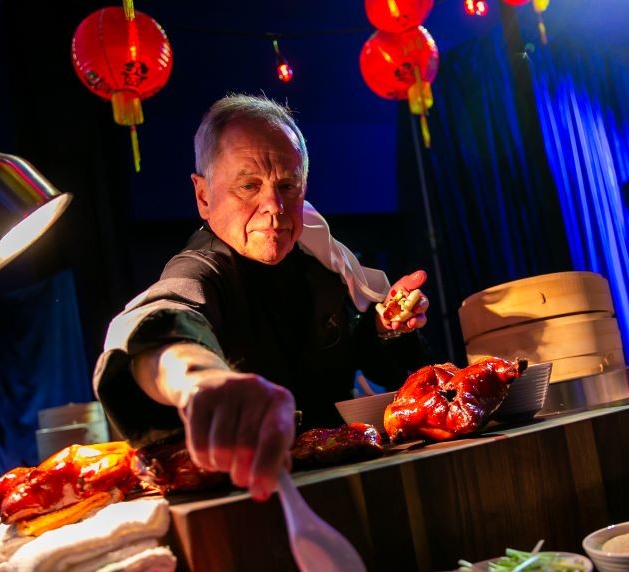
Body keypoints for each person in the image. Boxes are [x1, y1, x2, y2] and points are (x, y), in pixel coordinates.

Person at [93, 94, 429, 503]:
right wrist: (201, 381)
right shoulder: (202, 269)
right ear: (203, 196)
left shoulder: (320, 263)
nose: (273, 207)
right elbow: (163, 325)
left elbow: (354, 354)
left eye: (287, 185)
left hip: (348, 481)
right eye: (249, 185)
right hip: (250, 504)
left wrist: (384, 327)